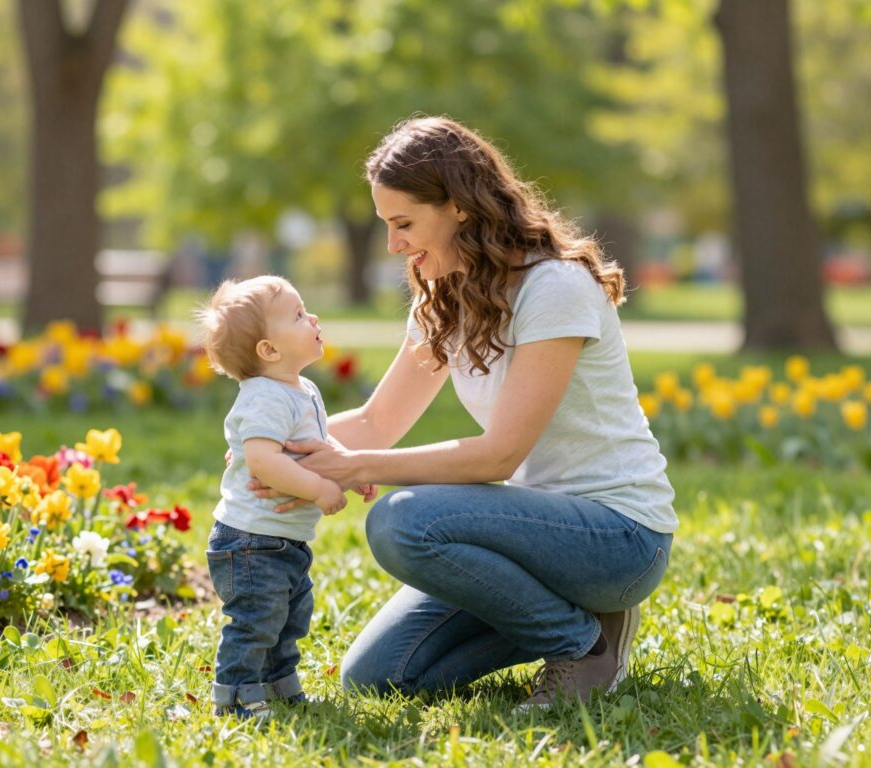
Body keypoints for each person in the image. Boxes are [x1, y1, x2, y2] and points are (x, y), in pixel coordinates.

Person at [252, 116, 678, 708]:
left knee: (402, 521)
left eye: (404, 224)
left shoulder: (554, 286)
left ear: (458, 206)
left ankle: (583, 649)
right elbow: (377, 423)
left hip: (618, 538)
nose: (393, 245)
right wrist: (268, 448)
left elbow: (500, 455)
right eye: (387, 225)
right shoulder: (445, 297)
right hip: (527, 537)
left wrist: (354, 467)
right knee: (378, 678)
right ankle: (573, 616)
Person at [195, 275, 377, 718]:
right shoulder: (265, 398)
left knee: (289, 618)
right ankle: (235, 696)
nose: (312, 317)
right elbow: (263, 461)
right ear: (269, 350)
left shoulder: (301, 389)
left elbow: (316, 443)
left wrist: (351, 469)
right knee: (256, 623)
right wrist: (318, 488)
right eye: (297, 315)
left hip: (281, 540)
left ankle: (279, 685)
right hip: (251, 541)